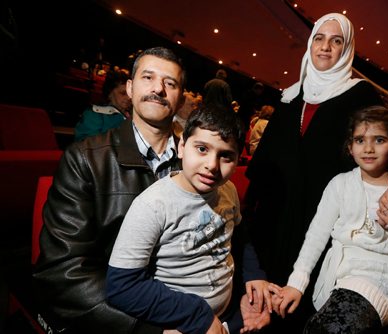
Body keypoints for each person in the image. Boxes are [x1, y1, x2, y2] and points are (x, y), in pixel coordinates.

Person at [32, 46, 263, 334]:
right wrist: (147, 329)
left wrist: (246, 289)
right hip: (122, 315)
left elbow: (225, 234)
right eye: (148, 77)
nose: (158, 89)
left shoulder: (201, 156)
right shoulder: (86, 159)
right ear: (129, 88)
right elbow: (62, 271)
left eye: (170, 83)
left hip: (196, 311)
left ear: (181, 99)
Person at [243, 12, 388, 332]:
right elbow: (265, 162)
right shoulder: (290, 96)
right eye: (319, 39)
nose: (326, 47)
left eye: (336, 41)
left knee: (301, 308)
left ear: (346, 49)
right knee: (263, 307)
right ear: (310, 45)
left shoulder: (360, 94)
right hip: (275, 219)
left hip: (323, 221)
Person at [269, 106, 388, 333]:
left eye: (379, 140)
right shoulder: (340, 183)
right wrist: (297, 283)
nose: (368, 149)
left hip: (380, 284)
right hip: (332, 281)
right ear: (350, 147)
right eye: (360, 140)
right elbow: (316, 236)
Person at [107, 105, 272, 334]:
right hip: (183, 325)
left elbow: (241, 236)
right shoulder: (153, 205)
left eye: (226, 156)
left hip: (230, 316)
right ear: (182, 146)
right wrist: (198, 316)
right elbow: (122, 287)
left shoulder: (229, 190)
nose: (212, 166)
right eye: (202, 149)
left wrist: (254, 276)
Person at [74, 69, 132, 141]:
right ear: (110, 93)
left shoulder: (135, 114)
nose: (129, 97)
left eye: (131, 93)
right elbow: (86, 145)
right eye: (123, 93)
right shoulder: (94, 115)